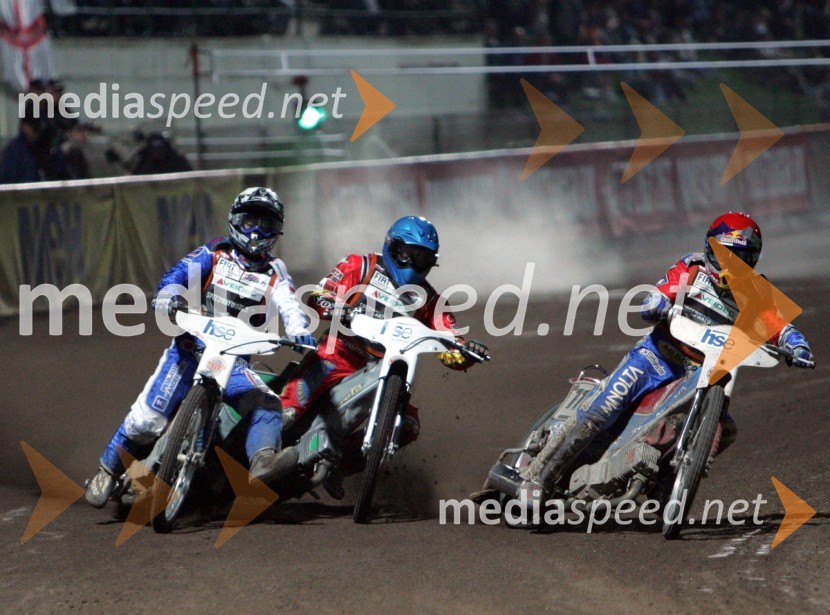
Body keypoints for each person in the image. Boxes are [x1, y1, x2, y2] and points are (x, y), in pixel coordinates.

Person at [517, 212, 815, 500]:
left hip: (702, 373)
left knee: (726, 431)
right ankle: (537, 478)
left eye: (741, 257)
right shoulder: (693, 267)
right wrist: (657, 302)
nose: (732, 264)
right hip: (655, 359)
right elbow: (661, 292)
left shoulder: (756, 289)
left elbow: (779, 326)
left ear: (753, 259)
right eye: (726, 255)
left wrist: (797, 346)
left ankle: (666, 489)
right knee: (602, 407)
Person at [85, 187, 317, 507]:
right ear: (236, 221)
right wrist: (169, 293)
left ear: (276, 229)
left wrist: (298, 329)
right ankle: (108, 468)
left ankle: (263, 460)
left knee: (267, 403)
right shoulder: (214, 252)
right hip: (189, 350)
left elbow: (289, 303)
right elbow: (179, 272)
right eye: (249, 221)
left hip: (235, 361)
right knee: (146, 419)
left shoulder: (274, 270)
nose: (256, 231)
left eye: (265, 224)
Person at [278, 215, 486, 496]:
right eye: (408, 254)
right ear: (392, 246)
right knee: (288, 413)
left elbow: (451, 341)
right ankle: (258, 454)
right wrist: (333, 304)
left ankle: (342, 464)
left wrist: (465, 351)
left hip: (386, 370)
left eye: (422, 259)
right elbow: (319, 293)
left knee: (408, 426)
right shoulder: (360, 266)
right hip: (337, 355)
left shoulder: (430, 300)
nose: (413, 264)